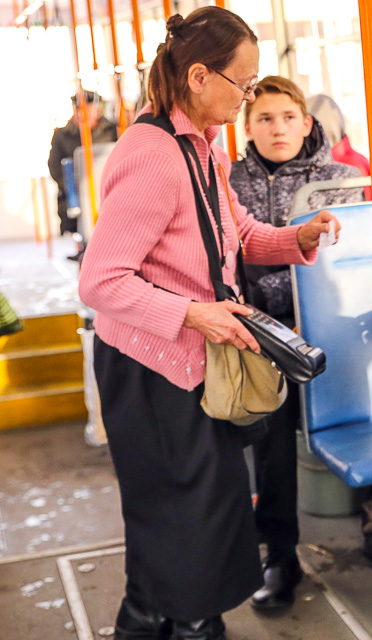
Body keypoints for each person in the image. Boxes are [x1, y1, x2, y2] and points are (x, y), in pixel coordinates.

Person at [78, 8, 340, 640]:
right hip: (149, 367)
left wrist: (295, 238)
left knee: (196, 508)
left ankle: (153, 619)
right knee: (186, 512)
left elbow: (235, 232)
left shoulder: (202, 146)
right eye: (242, 85)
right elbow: (101, 282)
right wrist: (195, 313)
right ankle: (189, 623)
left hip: (189, 355)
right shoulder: (152, 156)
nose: (247, 98)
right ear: (199, 77)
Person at [229, 75, 372, 614]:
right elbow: (238, 265)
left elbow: (350, 264)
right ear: (248, 127)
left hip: (339, 321)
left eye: (287, 117)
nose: (277, 129)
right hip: (268, 332)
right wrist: (280, 293)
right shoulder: (231, 185)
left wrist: (281, 285)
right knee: (272, 439)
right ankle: (278, 554)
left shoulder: (341, 182)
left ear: (306, 123)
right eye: (264, 119)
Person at [47, 91, 118, 244]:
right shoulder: (62, 136)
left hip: (109, 189)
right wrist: (74, 186)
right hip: (76, 195)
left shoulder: (113, 130)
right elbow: (55, 167)